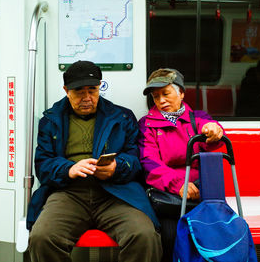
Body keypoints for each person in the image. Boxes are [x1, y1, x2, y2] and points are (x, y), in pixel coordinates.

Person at [27, 60, 162, 262]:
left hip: (116, 193)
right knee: (42, 237)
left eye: (92, 90)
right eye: (79, 91)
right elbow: (43, 165)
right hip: (69, 193)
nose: (87, 98)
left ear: (100, 87)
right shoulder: (51, 120)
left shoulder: (122, 117)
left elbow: (135, 160)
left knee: (144, 235)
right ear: (66, 90)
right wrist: (69, 169)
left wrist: (117, 167)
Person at [137, 68, 224, 262]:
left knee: (210, 233)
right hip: (169, 196)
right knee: (170, 235)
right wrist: (179, 185)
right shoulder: (147, 125)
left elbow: (215, 140)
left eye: (166, 94)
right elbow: (149, 163)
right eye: (155, 97)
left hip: (202, 194)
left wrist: (215, 131)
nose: (161, 101)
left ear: (181, 93)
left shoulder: (199, 119)